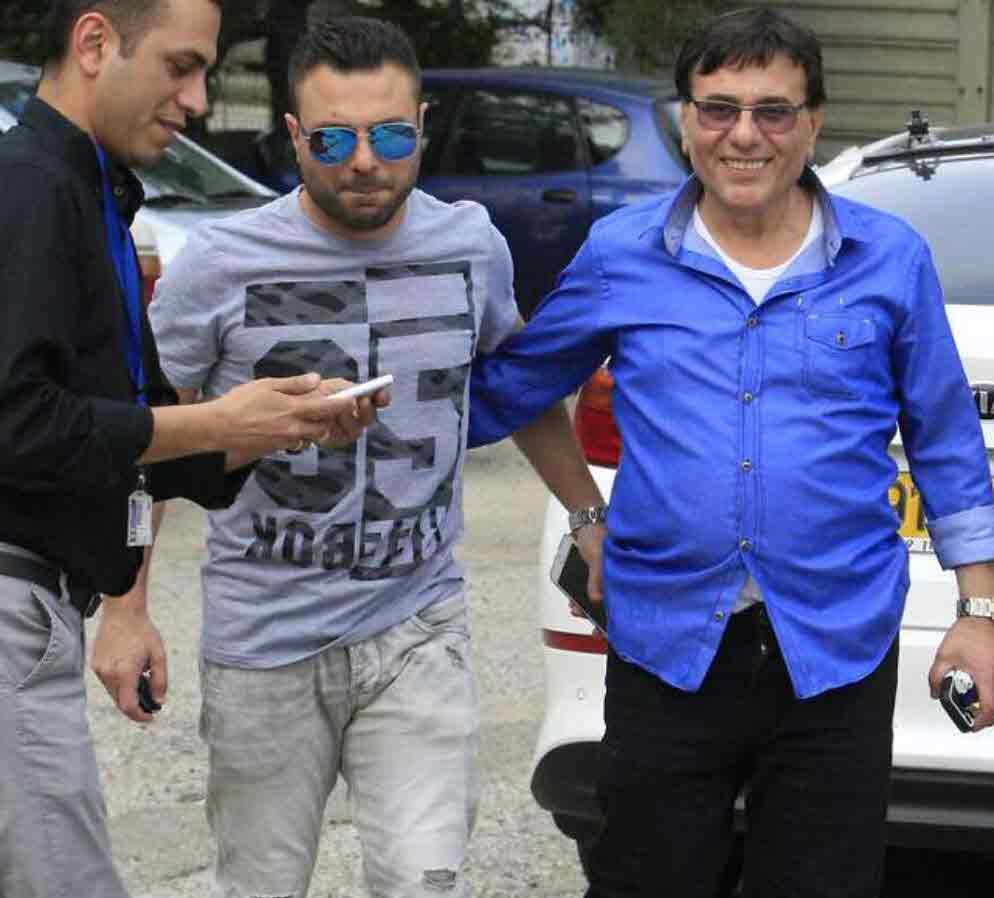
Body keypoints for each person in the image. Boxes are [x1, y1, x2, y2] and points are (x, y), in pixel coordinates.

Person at [468, 7, 994, 898]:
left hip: (835, 651)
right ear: (686, 121)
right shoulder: (622, 254)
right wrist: (586, 516)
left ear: (814, 123)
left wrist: (979, 613)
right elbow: (512, 389)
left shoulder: (891, 260)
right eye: (719, 108)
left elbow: (944, 443)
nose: (743, 135)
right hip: (665, 646)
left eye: (773, 111)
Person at [93, 15, 602, 898]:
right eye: (333, 139)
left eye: (390, 136)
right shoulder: (219, 262)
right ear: (294, 135)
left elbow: (522, 394)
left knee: (423, 881)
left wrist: (589, 519)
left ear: (422, 128)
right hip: (263, 639)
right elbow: (149, 438)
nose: (364, 161)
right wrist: (126, 608)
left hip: (419, 627)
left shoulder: (471, 244)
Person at [0, 2, 379, 897]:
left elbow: (130, 426)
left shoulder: (94, 190)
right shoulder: (30, 188)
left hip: (42, 610)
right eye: (181, 66)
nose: (199, 99)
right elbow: (19, 423)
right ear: (95, 43)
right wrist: (217, 423)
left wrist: (271, 424)